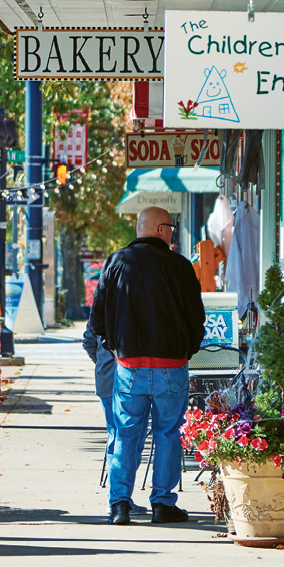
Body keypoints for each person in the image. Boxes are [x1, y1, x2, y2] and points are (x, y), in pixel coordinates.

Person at [90, 205, 205, 526]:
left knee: (126, 433)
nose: (172, 231)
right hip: (172, 363)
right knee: (168, 433)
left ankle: (120, 504)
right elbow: (197, 317)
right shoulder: (180, 266)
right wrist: (188, 348)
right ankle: (162, 503)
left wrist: (115, 348)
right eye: (170, 226)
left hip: (129, 364)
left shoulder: (115, 263)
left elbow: (97, 317)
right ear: (159, 230)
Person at [81, 311, 147, 516]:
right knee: (128, 439)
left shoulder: (103, 301)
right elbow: (89, 341)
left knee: (119, 437)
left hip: (108, 377)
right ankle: (118, 498)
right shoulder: (132, 297)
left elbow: (88, 342)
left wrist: (102, 362)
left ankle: (119, 497)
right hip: (124, 379)